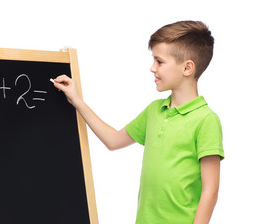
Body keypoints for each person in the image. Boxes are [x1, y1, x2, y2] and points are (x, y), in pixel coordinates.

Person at [53, 20, 224, 224]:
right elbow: (113, 140)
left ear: (187, 68)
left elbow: (210, 191)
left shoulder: (206, 120)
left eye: (159, 62)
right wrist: (77, 101)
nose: (152, 68)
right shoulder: (154, 111)